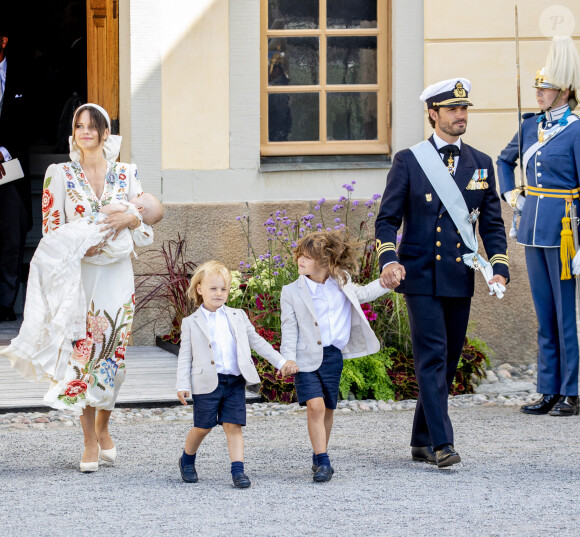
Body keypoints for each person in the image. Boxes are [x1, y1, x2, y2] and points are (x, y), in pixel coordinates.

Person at [375, 78, 509, 468]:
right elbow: (387, 220)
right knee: (432, 357)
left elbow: (492, 225)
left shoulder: (480, 163)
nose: (460, 115)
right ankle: (442, 444)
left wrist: (498, 267)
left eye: (464, 109)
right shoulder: (409, 160)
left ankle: (420, 439)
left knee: (448, 360)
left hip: (458, 275)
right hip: (418, 273)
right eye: (452, 109)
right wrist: (388, 260)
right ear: (433, 113)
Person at [40, 103, 154, 472]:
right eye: (79, 126)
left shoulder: (126, 172)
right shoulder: (59, 174)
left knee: (113, 361)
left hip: (117, 275)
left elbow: (149, 213)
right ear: (74, 133)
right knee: (83, 357)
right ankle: (89, 439)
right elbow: (51, 228)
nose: (85, 131)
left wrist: (131, 216)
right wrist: (77, 246)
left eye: (93, 126)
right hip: (79, 275)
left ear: (106, 135)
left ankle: (104, 427)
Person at [497, 37, 580, 417]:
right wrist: (512, 196)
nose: (537, 93)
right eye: (536, 87)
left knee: (565, 315)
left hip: (565, 231)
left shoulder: (577, 130)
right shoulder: (529, 126)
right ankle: (548, 388)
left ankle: (572, 391)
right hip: (532, 228)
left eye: (544, 88)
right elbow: (504, 160)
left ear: (563, 91)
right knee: (543, 313)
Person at [176, 260, 298, 488]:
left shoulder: (237, 316)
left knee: (233, 426)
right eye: (213, 288)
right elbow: (185, 356)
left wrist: (281, 362)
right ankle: (187, 459)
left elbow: (258, 343)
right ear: (200, 289)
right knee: (203, 426)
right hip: (206, 383)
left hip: (234, 381)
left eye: (224, 289)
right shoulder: (190, 322)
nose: (219, 293)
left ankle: (238, 471)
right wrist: (182, 384)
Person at [280, 230, 390, 483]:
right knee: (315, 406)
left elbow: (362, 295)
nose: (300, 260)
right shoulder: (291, 291)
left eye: (307, 257)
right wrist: (287, 359)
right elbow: (288, 327)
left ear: (325, 261)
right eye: (299, 255)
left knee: (328, 408)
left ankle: (319, 455)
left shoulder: (341, 281)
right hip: (305, 357)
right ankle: (325, 462)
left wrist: (385, 283)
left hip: (332, 356)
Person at [0, 23, 32, 322]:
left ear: (4, 41)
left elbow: (32, 120)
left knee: (11, 236)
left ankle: (6, 303)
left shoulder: (23, 76)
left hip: (10, 170)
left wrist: (5, 151)